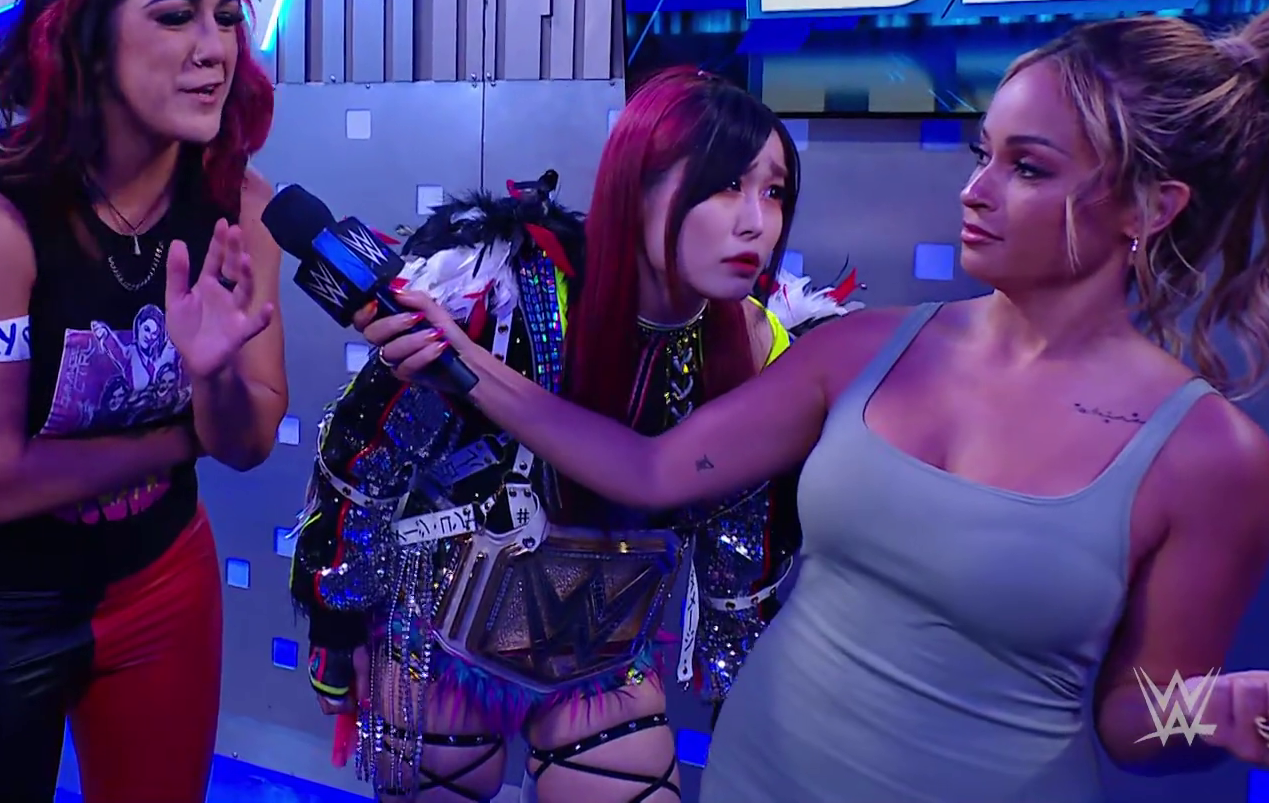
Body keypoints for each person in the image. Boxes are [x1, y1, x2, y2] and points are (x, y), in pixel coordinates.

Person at [367, 3, 1269, 801]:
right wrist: (461, 360)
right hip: (758, 779)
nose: (976, 190)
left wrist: (1210, 714)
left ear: (1150, 207)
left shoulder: (1209, 456)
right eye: (982, 153)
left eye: (1027, 167)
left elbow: (1134, 723)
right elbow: (652, 469)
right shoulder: (864, 349)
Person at [295, 72, 861, 802]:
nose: (756, 221)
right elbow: (364, 459)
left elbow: (741, 543)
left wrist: (736, 690)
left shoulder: (760, 349)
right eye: (724, 185)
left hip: (604, 653)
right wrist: (336, 622)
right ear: (638, 186)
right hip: (441, 636)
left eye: (774, 191)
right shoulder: (501, 291)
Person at [0, 0, 287, 803]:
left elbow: (247, 441)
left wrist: (215, 381)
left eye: (227, 16)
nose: (215, 48)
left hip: (161, 577)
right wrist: (178, 436)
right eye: (176, 16)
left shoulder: (242, 207)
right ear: (87, 37)